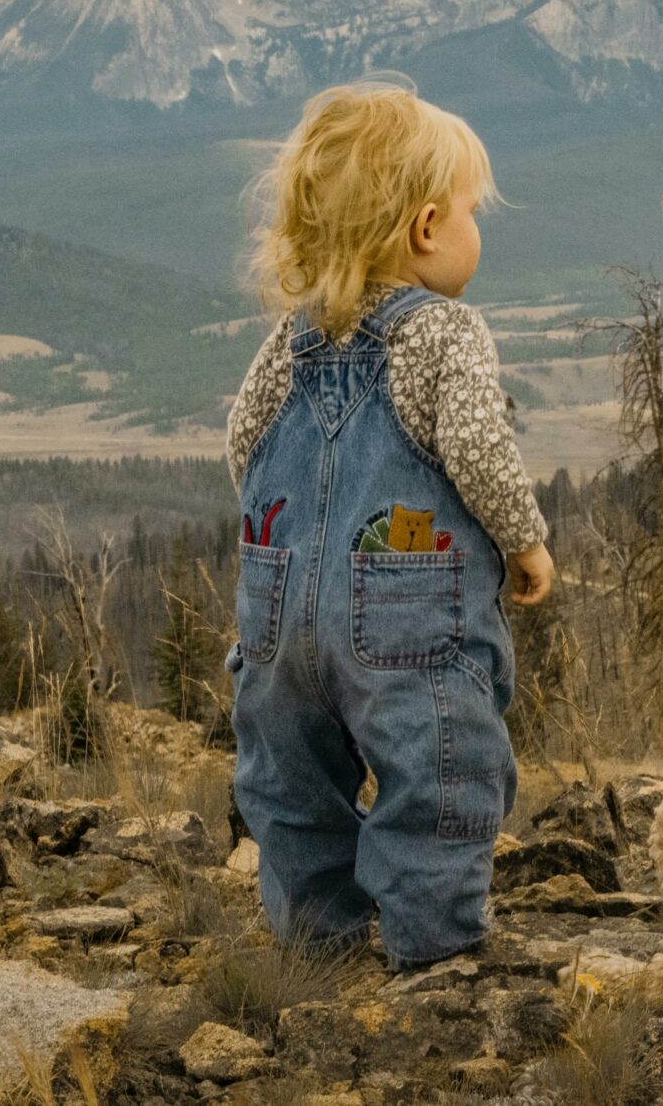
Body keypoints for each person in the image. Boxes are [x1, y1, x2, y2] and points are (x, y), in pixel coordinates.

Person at [223, 77, 555, 971]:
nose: (475, 233)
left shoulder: (292, 338)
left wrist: (284, 555)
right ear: (424, 227)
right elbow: (479, 448)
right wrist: (524, 540)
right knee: (439, 769)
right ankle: (434, 949)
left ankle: (314, 944)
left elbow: (244, 444)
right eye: (471, 214)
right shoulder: (444, 334)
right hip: (404, 616)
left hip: (277, 615)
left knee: (289, 780)